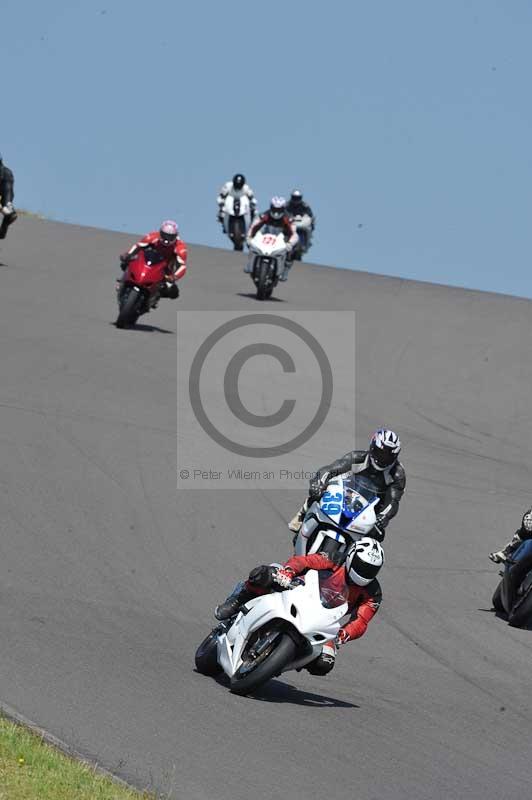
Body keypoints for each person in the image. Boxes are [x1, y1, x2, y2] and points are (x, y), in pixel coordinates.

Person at [214, 537, 384, 676]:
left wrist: (343, 634)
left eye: (371, 570)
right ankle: (239, 598)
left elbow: (361, 621)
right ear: (351, 556)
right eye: (363, 566)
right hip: (299, 589)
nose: (365, 572)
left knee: (324, 663)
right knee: (263, 574)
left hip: (324, 620)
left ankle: (276, 662)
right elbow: (305, 561)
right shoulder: (336, 559)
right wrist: (288, 572)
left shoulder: (373, 592)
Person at [289, 428, 405, 539]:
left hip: (372, 508)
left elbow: (393, 502)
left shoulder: (397, 474)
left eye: (387, 456)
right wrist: (318, 482)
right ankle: (302, 516)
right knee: (318, 494)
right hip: (348, 495)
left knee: (377, 536)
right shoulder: (358, 457)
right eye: (380, 453)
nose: (383, 458)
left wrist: (384, 516)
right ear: (372, 447)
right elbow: (330, 470)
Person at [117, 220, 187, 303]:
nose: (166, 240)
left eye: (170, 237)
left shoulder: (180, 247)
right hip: (145, 261)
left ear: (175, 236)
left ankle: (154, 298)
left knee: (172, 291)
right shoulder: (152, 236)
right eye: (165, 235)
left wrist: (174, 277)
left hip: (165, 269)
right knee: (125, 263)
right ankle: (122, 281)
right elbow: (138, 246)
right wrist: (128, 254)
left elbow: (182, 266)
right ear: (160, 232)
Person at [245, 196, 299, 281]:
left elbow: (294, 234)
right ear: (271, 207)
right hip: (267, 235)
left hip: (284, 237)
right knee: (252, 244)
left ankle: (285, 270)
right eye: (274, 209)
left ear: (283, 209)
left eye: (279, 210)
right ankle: (250, 264)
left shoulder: (289, 218)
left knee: (293, 251)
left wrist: (290, 243)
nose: (276, 213)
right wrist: (249, 238)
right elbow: (254, 227)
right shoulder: (264, 215)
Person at [0, 153, 17, 240]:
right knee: (7, 206)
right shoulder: (7, 172)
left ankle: (7, 210)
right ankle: (8, 210)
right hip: (7, 177)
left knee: (5, 207)